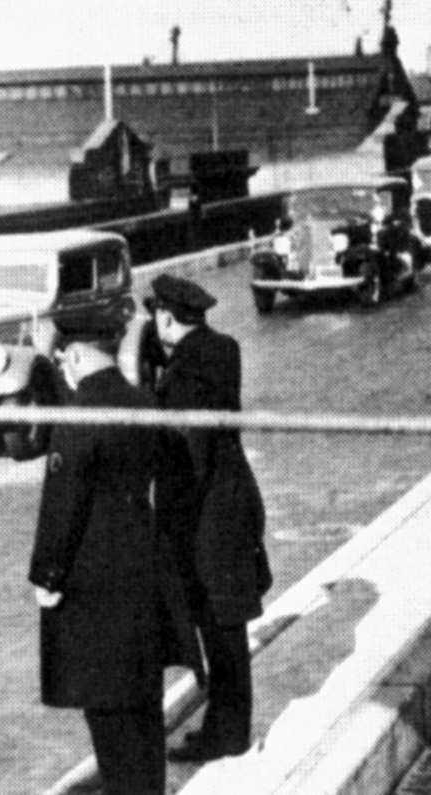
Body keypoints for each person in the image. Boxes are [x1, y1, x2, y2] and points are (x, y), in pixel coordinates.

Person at [29, 308, 198, 795]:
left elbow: (63, 506)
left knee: (107, 713)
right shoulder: (143, 403)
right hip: (142, 568)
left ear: (76, 355)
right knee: (143, 706)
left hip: (93, 582)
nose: (62, 365)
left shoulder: (79, 417)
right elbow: (176, 476)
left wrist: (46, 576)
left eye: (63, 357)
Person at [143, 273, 273, 764]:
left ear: (167, 318)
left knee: (218, 629)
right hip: (235, 497)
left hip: (204, 515)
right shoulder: (224, 349)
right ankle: (228, 726)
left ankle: (227, 734)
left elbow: (184, 449)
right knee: (230, 626)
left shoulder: (181, 374)